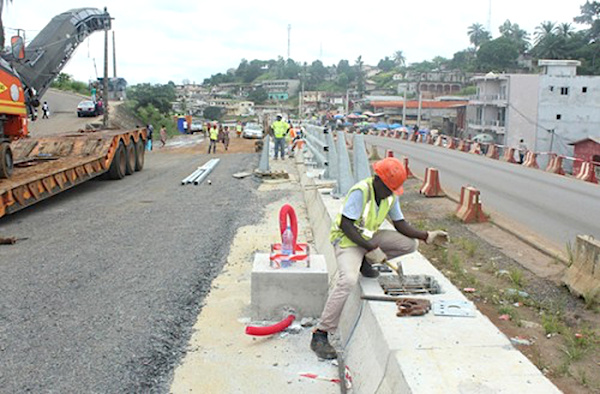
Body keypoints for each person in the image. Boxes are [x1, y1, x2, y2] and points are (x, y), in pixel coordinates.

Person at [310, 157, 449, 359]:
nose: (391, 192)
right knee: (348, 280)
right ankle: (321, 333)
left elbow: (400, 224)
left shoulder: (390, 195)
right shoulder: (361, 191)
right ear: (378, 180)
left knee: (410, 244)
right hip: (348, 241)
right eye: (389, 188)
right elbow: (346, 225)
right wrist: (370, 248)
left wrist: (426, 235)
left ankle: (364, 262)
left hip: (368, 239)